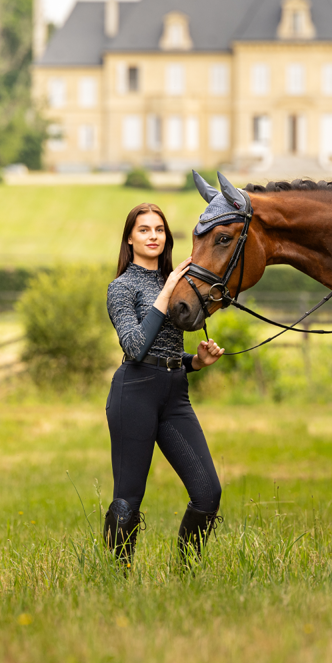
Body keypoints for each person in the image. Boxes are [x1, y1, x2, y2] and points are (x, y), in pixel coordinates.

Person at [104, 202, 225, 567]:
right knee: (128, 500)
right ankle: (116, 577)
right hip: (134, 393)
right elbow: (136, 347)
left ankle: (184, 573)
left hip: (175, 394)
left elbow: (169, 350)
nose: (153, 235)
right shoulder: (121, 288)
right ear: (130, 238)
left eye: (159, 229)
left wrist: (197, 361)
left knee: (208, 492)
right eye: (144, 229)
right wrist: (167, 287)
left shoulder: (180, 282)